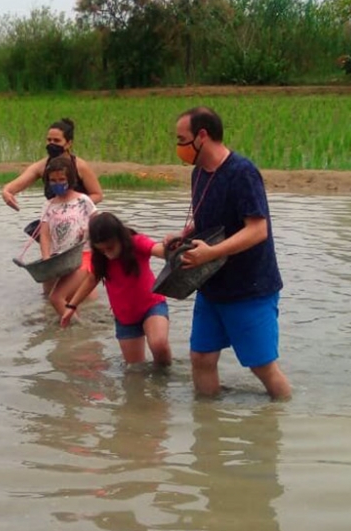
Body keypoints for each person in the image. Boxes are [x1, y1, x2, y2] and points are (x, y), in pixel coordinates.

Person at [167, 106, 291, 400]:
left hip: (249, 288)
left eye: (181, 138)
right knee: (201, 358)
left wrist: (211, 253)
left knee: (262, 368)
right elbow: (212, 220)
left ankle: (282, 420)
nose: (179, 146)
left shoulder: (242, 173)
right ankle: (208, 431)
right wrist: (186, 235)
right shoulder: (199, 173)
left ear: (202, 136)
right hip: (212, 286)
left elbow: (257, 229)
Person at [59, 212, 171, 368]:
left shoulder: (136, 243)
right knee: (135, 369)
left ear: (120, 237)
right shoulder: (100, 258)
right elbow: (92, 279)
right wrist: (71, 306)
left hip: (151, 305)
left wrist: (172, 250)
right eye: (102, 250)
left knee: (159, 345)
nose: (107, 253)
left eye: (110, 247)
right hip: (125, 317)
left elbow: (156, 248)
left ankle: (164, 380)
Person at [1, 118, 105, 212]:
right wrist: (6, 193)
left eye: (56, 140)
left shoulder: (80, 166)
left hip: (80, 215)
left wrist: (73, 206)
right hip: (54, 216)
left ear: (68, 143)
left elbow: (97, 195)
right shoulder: (41, 166)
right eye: (49, 140)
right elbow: (12, 187)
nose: (52, 144)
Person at [36, 153, 96, 313]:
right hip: (59, 259)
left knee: (87, 302)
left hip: (83, 255)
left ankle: (79, 325)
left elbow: (98, 226)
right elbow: (45, 235)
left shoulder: (83, 201)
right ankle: (68, 330)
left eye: (61, 180)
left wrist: (89, 231)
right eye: (53, 181)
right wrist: (46, 258)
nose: (57, 184)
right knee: (52, 302)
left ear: (70, 179)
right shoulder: (49, 205)